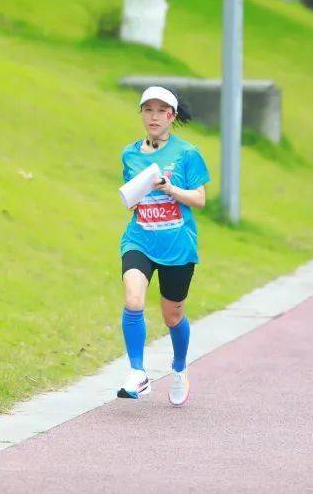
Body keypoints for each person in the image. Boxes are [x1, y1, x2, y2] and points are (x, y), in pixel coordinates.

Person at [117, 86, 210, 406]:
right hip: (139, 239)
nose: (154, 117)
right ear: (142, 114)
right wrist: (134, 198)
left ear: (171, 116)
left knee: (172, 317)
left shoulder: (187, 153)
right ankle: (138, 373)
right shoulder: (129, 154)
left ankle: (180, 369)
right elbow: (134, 196)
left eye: (160, 111)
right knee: (132, 299)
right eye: (148, 110)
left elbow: (199, 199)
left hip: (177, 246)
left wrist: (170, 189)